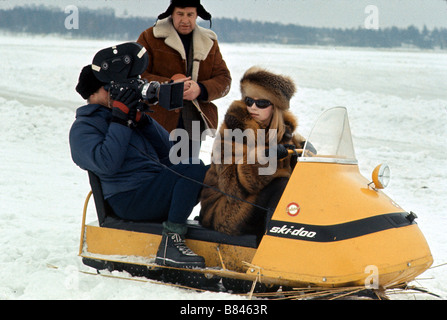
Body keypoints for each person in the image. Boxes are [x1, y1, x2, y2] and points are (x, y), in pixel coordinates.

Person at [69, 65, 208, 269]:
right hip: (128, 198)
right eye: (109, 88)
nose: (116, 94)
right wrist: (119, 121)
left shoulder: (125, 118)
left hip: (150, 189)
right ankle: (171, 242)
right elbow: (107, 163)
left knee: (210, 171)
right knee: (193, 167)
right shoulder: (83, 128)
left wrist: (142, 121)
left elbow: (171, 154)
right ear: (93, 92)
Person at [199, 67, 306, 237]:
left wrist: (305, 154)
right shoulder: (234, 129)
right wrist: (265, 157)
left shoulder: (284, 134)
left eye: (261, 103)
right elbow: (232, 187)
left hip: (254, 203)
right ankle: (274, 249)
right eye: (249, 101)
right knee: (280, 187)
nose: (253, 107)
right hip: (225, 208)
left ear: (275, 107)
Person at [136, 0, 231, 160]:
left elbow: (224, 80)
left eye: (190, 15)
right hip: (157, 119)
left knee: (188, 173)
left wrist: (200, 89)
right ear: (171, 13)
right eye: (180, 14)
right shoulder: (150, 37)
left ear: (197, 16)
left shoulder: (210, 42)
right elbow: (138, 75)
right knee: (157, 171)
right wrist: (169, 85)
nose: (185, 20)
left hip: (192, 121)